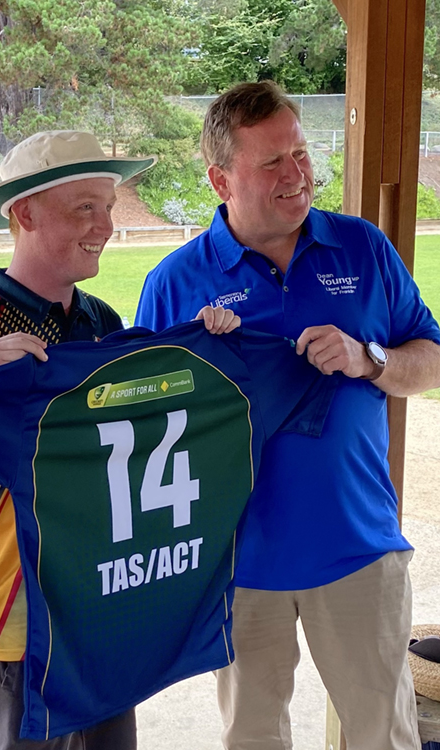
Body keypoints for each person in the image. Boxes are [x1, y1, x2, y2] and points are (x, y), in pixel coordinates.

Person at [136, 80, 440, 750]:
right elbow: (145, 434)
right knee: (251, 738)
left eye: (300, 153)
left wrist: (370, 358)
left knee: (381, 736)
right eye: (271, 162)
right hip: (238, 563)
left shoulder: (362, 248)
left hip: (360, 545)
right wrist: (198, 369)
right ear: (220, 178)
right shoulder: (175, 284)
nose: (296, 175)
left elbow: (432, 359)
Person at [0, 129, 239, 749]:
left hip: (101, 609)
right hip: (21, 622)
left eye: (109, 206)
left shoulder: (101, 322)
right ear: (25, 212)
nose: (105, 225)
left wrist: (206, 355)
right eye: (84, 207)